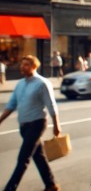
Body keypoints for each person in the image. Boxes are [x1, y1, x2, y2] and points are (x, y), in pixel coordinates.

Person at [0, 55, 62, 191]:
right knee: (38, 156)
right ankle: (51, 184)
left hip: (37, 123)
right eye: (22, 64)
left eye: (26, 64)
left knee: (23, 158)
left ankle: (10, 188)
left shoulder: (42, 83)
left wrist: (57, 126)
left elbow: (51, 105)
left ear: (34, 66)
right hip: (24, 126)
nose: (23, 67)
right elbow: (11, 105)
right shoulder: (20, 84)